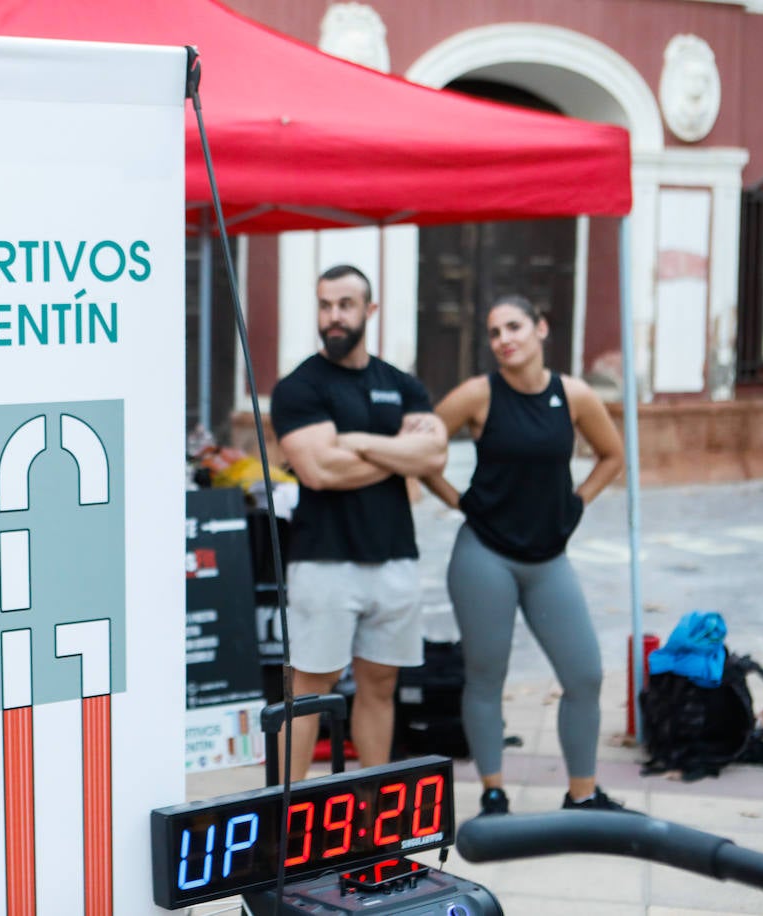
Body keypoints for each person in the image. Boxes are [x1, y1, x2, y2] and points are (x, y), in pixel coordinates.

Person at [420, 294, 630, 815]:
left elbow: (613, 456)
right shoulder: (476, 394)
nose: (504, 339)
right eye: (494, 333)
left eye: (513, 327)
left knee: (584, 675)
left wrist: (577, 502)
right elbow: (421, 452)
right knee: (487, 676)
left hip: (548, 559)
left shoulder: (575, 395)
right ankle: (493, 792)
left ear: (540, 329)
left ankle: (582, 794)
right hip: (484, 556)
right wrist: (459, 500)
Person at [270, 264, 448, 780]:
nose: (333, 316)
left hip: (394, 557)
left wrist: (360, 442)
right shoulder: (299, 387)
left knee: (380, 686)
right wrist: (400, 453)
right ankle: (290, 816)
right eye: (325, 305)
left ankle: (374, 811)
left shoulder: (402, 384)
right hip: (324, 561)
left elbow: (435, 456)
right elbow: (320, 470)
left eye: (345, 305)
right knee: (308, 690)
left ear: (369, 310)